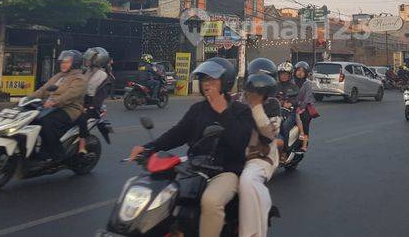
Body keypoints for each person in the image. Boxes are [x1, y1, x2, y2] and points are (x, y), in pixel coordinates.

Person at [129, 57, 254, 237]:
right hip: (194, 167)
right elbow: (177, 133)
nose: (206, 84)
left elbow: (240, 142)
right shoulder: (198, 110)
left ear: (225, 82)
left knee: (211, 201)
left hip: (225, 171)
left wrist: (223, 112)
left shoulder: (240, 110)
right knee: (157, 191)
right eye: (204, 80)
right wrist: (148, 147)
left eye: (212, 80)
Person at [238, 58, 281, 237]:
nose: (258, 86)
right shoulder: (238, 101)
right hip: (235, 153)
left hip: (260, 158)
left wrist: (256, 106)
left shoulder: (272, 105)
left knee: (248, 180)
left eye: (263, 83)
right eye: (255, 81)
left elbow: (269, 134)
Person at [30, 50, 86, 164]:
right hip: (51, 108)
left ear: (75, 63)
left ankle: (58, 154)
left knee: (46, 122)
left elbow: (69, 95)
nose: (63, 64)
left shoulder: (79, 78)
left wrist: (54, 102)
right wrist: (27, 99)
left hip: (69, 110)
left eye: (67, 62)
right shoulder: (58, 76)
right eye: (62, 62)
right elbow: (43, 90)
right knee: (31, 120)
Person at [78, 47, 111, 155]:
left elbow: (100, 96)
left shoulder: (103, 75)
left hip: (92, 106)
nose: (86, 60)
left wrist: (89, 106)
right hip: (80, 101)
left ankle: (82, 146)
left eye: (89, 58)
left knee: (81, 119)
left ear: (97, 60)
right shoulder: (86, 71)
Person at [292, 61, 317, 151]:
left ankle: (304, 144)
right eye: (298, 70)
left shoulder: (307, 84)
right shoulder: (292, 82)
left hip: (304, 107)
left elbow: (307, 98)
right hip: (292, 106)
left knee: (305, 119)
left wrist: (300, 106)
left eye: (303, 71)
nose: (300, 73)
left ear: (306, 73)